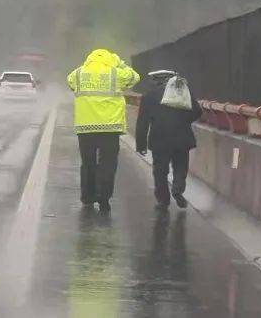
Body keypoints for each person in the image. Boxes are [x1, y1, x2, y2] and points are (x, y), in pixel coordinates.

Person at [67, 49, 140, 212]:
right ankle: (104, 198)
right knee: (108, 164)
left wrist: (86, 67)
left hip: (85, 128)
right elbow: (135, 77)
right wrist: (120, 63)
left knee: (88, 163)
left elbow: (69, 82)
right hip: (110, 128)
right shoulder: (115, 73)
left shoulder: (78, 73)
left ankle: (87, 197)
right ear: (110, 60)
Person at [135, 70, 202, 209]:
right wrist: (184, 121)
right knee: (180, 166)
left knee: (160, 171)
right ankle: (177, 189)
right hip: (182, 137)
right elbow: (197, 111)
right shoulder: (183, 92)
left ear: (157, 80)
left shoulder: (150, 96)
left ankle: (163, 200)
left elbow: (142, 122)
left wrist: (141, 144)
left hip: (160, 139)